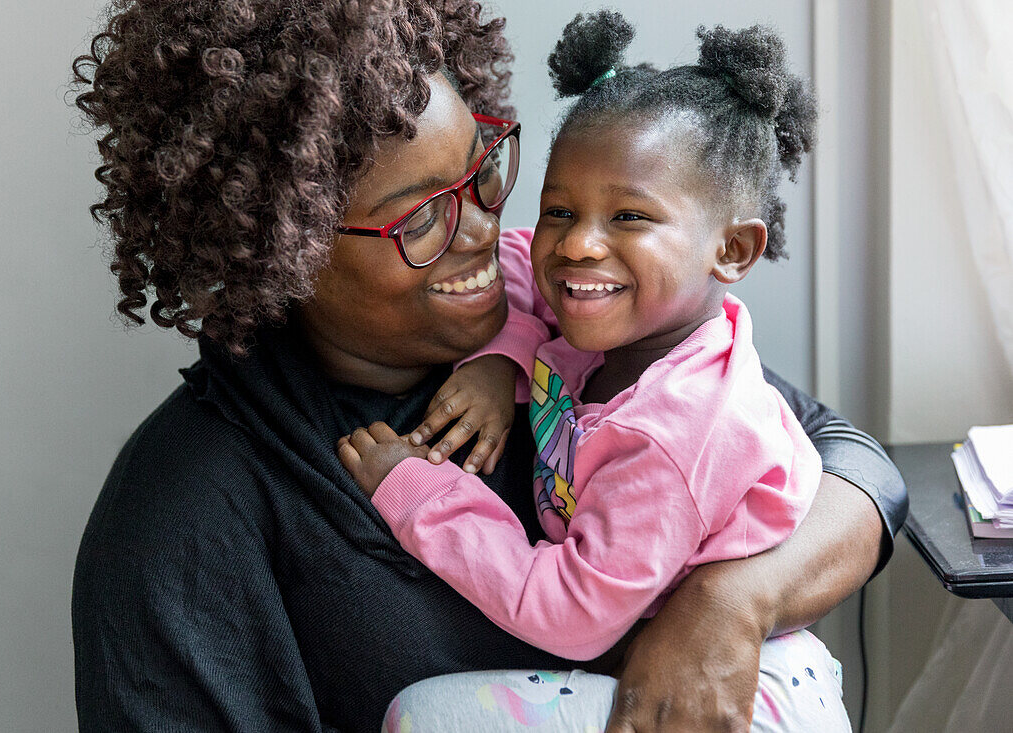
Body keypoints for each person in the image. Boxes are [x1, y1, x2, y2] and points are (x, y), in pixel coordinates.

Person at [69, 2, 906, 731]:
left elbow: (856, 465)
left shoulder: (590, 337)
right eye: (423, 215)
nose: (482, 229)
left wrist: (729, 603)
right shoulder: (181, 510)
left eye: (483, 169)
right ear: (287, 243)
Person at [337, 14, 849, 732]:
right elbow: (512, 260)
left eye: (630, 216)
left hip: (729, 694)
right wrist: (500, 359)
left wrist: (421, 491)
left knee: (422, 716)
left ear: (731, 249)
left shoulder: (674, 435)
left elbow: (572, 614)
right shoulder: (633, 329)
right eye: (561, 209)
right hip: (662, 658)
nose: (579, 243)